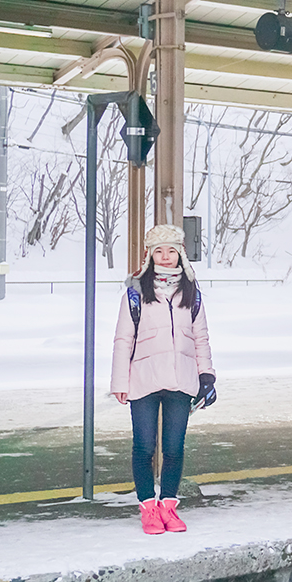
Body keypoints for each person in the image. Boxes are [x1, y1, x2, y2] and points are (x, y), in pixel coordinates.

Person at [111, 224, 216, 535]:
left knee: (174, 448)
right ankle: (148, 508)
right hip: (143, 381)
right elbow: (122, 340)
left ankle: (168, 506)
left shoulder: (191, 293)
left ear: (180, 253)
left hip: (181, 382)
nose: (166, 256)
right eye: (159, 250)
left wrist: (206, 376)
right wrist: (120, 382)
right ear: (150, 254)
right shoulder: (135, 292)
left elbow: (201, 338)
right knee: (144, 447)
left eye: (171, 250)